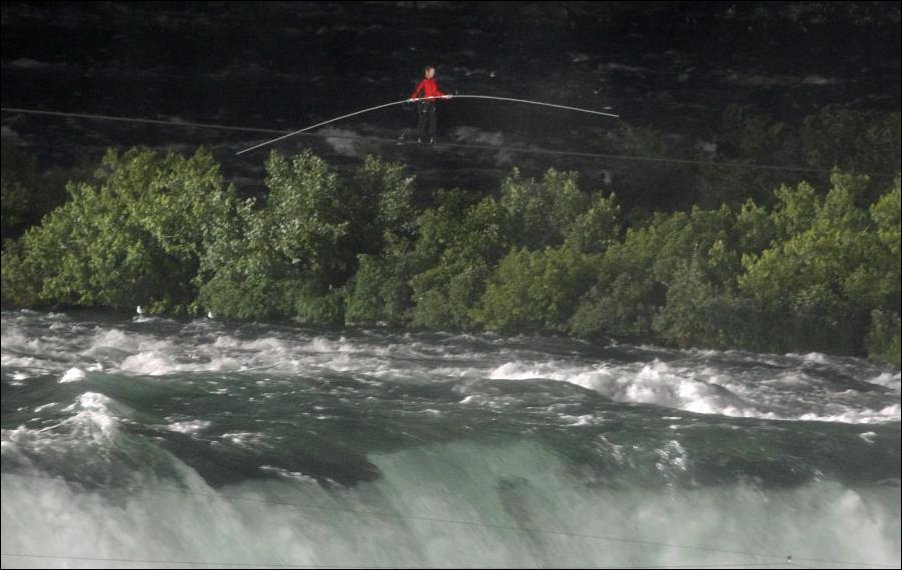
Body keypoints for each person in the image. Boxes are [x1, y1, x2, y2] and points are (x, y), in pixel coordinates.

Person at [409, 66, 451, 143]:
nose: (433, 73)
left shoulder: (433, 82)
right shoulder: (423, 81)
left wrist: (444, 96)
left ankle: (432, 138)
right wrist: (413, 98)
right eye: (432, 72)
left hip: (431, 102)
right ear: (427, 72)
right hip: (423, 102)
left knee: (433, 120)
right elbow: (417, 90)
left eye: (433, 72)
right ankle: (419, 138)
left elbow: (436, 93)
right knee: (423, 120)